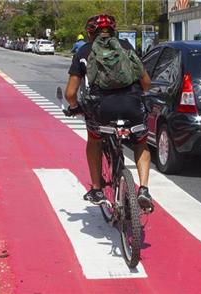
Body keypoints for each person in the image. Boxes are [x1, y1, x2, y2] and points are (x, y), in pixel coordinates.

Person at [64, 14, 154, 211]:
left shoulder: (84, 52)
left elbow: (70, 93)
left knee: (94, 140)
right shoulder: (127, 48)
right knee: (141, 144)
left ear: (89, 33)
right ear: (114, 30)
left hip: (102, 110)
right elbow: (146, 83)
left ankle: (96, 189)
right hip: (132, 106)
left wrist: (74, 108)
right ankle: (144, 189)